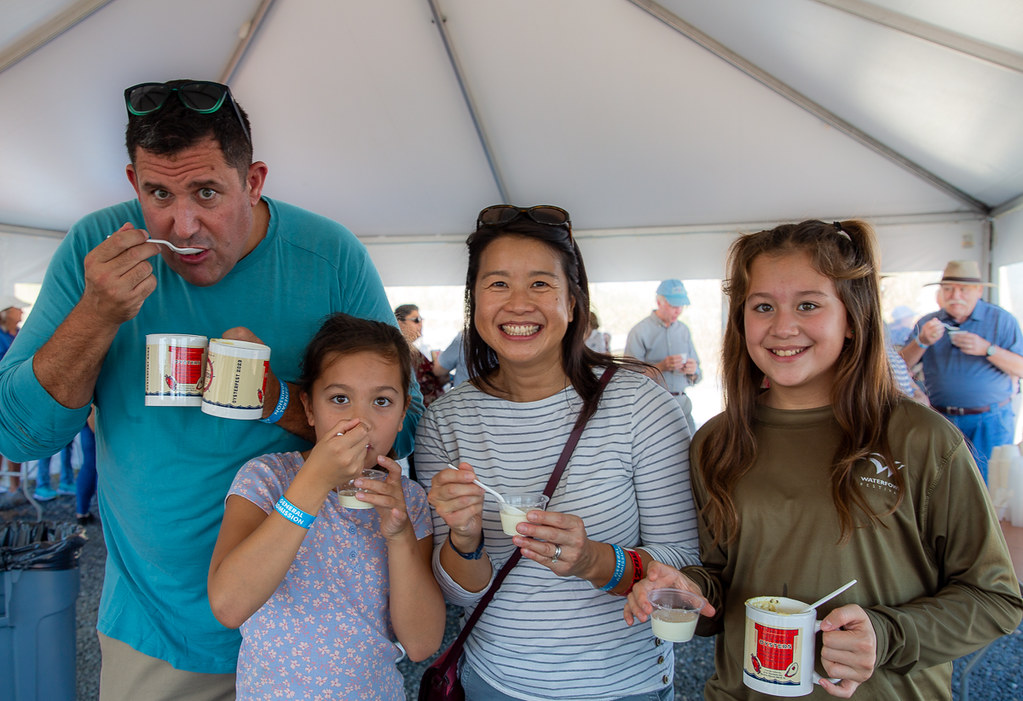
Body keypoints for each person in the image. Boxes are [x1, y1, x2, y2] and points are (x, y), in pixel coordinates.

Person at [0, 79, 422, 699]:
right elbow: (21, 433)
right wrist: (95, 315)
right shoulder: (97, 252)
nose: (183, 225)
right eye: (158, 194)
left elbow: (401, 430)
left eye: (206, 192)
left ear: (253, 181)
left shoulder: (328, 255)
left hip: (316, 637)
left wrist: (280, 399)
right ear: (132, 183)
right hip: (158, 627)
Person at [623, 220, 1023, 700]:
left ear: (852, 318)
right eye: (763, 307)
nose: (782, 327)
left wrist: (888, 633)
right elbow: (721, 579)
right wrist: (688, 591)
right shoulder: (717, 441)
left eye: (808, 305)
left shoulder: (920, 438)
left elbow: (995, 598)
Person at [417, 204, 700, 700]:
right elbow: (459, 593)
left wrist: (594, 560)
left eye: (541, 285)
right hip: (494, 683)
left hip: (623, 687)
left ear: (574, 303)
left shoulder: (638, 403)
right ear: (475, 302)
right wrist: (465, 537)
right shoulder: (446, 419)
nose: (518, 304)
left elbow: (684, 561)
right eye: (498, 284)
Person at [208, 313, 444, 700]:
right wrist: (313, 482)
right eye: (339, 399)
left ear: (403, 415)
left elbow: (421, 643)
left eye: (382, 401)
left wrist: (400, 536)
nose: (359, 421)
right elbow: (229, 606)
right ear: (310, 408)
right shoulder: (265, 479)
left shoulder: (408, 501)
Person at [899, 260, 1023, 482]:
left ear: (979, 291)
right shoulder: (929, 323)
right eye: (948, 289)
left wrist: (987, 349)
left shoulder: (1001, 320)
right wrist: (922, 341)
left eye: (963, 289)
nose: (955, 295)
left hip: (989, 421)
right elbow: (898, 367)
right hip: (940, 417)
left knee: (989, 485)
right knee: (942, 483)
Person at [624, 279, 702, 435]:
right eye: (673, 306)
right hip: (652, 408)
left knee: (694, 453)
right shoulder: (639, 332)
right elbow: (628, 377)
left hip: (683, 406)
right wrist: (661, 367)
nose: (678, 311)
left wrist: (693, 371)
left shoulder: (684, 331)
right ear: (659, 302)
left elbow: (698, 376)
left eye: (681, 306)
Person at [0, 297, 27, 502]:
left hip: (16, 394)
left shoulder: (19, 334)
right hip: (3, 392)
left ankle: (14, 486)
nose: (21, 312)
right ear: (7, 312)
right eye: (18, 308)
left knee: (14, 439)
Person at [394, 303, 445, 408]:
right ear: (399, 323)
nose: (420, 324)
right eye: (416, 320)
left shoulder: (411, 350)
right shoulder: (397, 351)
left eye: (421, 320)